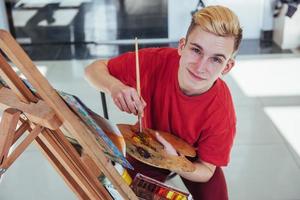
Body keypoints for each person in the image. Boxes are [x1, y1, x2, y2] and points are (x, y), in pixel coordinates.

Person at [85, 5, 243, 200]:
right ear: (182, 46)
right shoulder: (155, 61)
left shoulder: (222, 111)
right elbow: (93, 69)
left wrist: (174, 162)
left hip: (191, 159)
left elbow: (207, 170)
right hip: (146, 142)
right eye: (196, 50)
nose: (200, 67)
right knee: (117, 192)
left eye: (216, 60)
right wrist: (114, 86)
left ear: (227, 67)